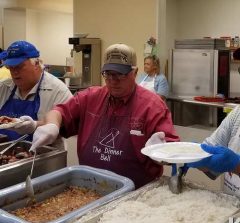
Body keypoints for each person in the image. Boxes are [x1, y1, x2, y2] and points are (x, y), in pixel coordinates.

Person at [28, 43, 179, 188]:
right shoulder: (90, 97)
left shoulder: (152, 106)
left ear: (135, 72)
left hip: (136, 193)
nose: (113, 81)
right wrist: (51, 125)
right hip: (88, 187)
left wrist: (161, 150)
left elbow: (172, 149)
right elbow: (58, 112)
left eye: (120, 75)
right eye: (108, 74)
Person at [170, 47, 240, 197]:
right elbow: (211, 148)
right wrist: (187, 154)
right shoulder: (238, 113)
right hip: (232, 206)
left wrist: (237, 165)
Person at [0, 40, 72, 144]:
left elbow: (69, 128)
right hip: (5, 154)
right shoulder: (3, 87)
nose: (14, 72)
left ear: (36, 63)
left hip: (42, 156)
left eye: (19, 66)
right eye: (10, 67)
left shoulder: (58, 90)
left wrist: (35, 126)